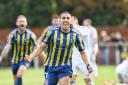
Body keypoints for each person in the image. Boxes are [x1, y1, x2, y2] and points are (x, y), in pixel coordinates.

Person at [24, 11, 93, 85]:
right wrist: (31, 57)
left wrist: (88, 64)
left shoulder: (75, 35)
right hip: (52, 66)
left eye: (68, 18)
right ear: (60, 21)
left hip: (66, 67)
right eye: (63, 18)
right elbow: (41, 47)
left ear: (70, 21)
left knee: (64, 83)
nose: (66, 20)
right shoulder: (52, 32)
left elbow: (83, 52)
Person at [0, 15, 37, 85]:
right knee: (16, 79)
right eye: (20, 21)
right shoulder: (12, 34)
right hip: (14, 60)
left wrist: (32, 56)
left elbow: (37, 47)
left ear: (26, 23)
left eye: (23, 21)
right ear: (17, 23)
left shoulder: (31, 34)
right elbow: (7, 47)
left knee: (20, 74)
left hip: (26, 59)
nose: (22, 23)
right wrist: (1, 57)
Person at [70, 16, 94, 85]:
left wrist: (74, 25)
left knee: (88, 82)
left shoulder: (84, 28)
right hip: (73, 59)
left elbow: (81, 33)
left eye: (71, 21)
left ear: (75, 21)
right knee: (72, 81)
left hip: (84, 59)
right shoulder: (69, 31)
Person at [37, 15, 60, 85]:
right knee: (47, 79)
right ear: (52, 21)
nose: (56, 22)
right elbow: (40, 40)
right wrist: (39, 49)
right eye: (54, 20)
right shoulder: (48, 29)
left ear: (60, 21)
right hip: (49, 57)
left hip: (60, 58)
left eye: (57, 20)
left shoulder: (63, 29)